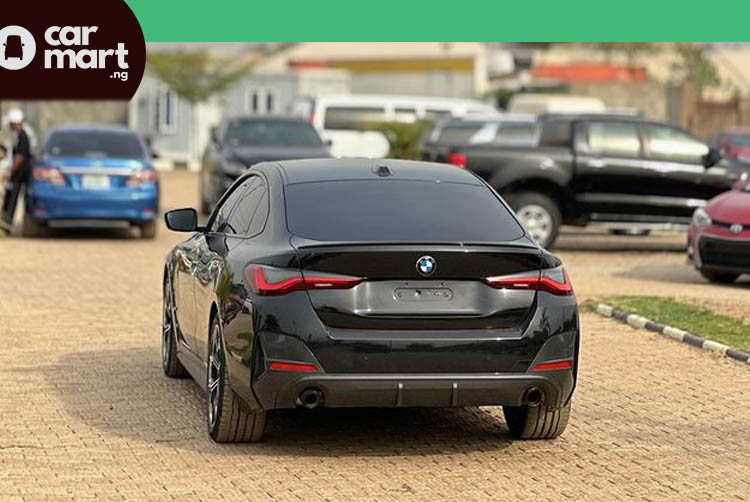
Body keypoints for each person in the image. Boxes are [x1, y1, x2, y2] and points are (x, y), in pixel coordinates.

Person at [1, 109, 32, 236]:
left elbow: (20, 157)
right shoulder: (18, 135)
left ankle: (6, 228)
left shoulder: (23, 136)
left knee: (11, 200)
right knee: (9, 199)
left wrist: (10, 172)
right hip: (16, 175)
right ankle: (5, 225)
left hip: (19, 176)